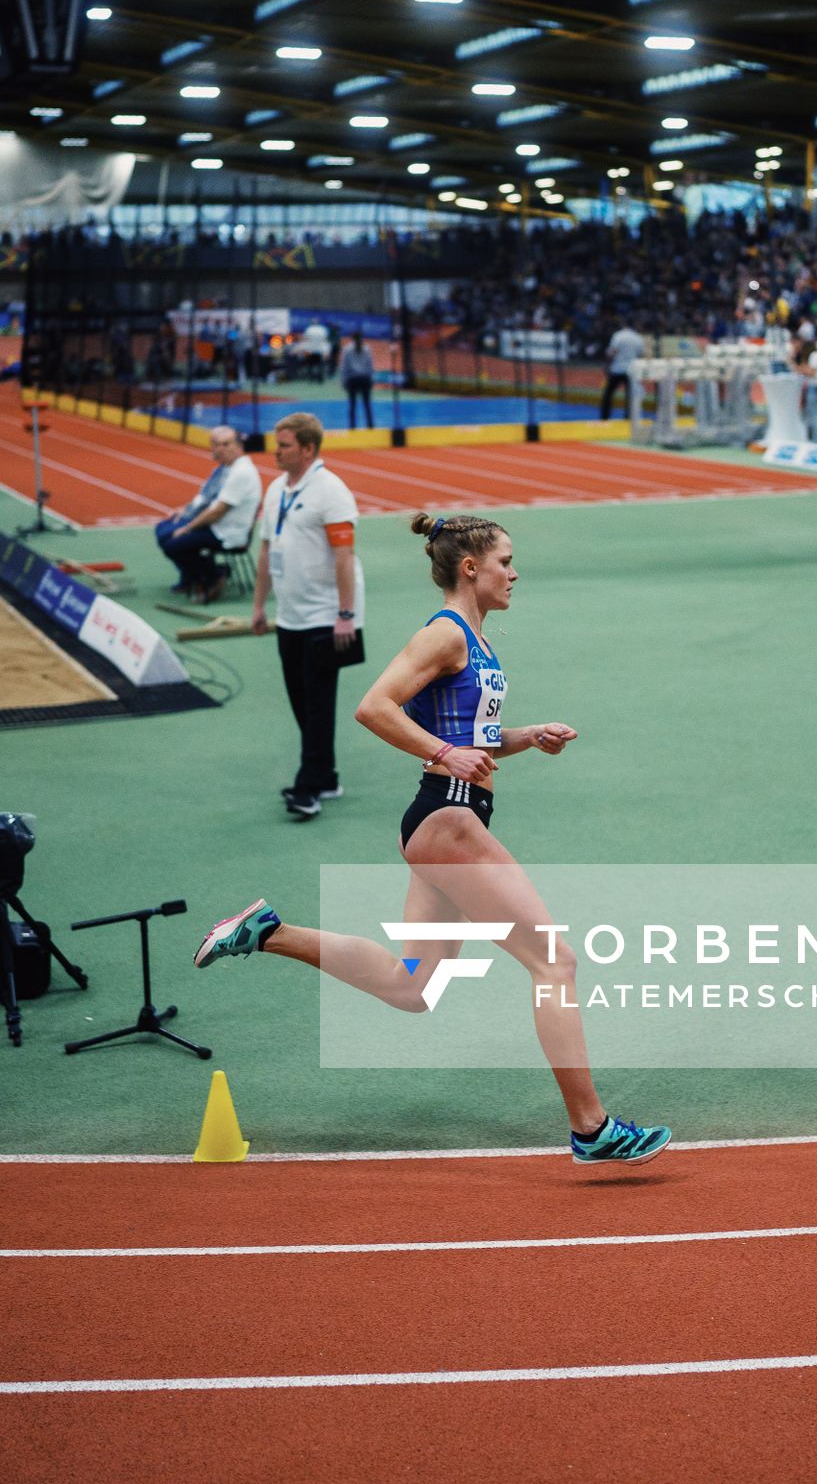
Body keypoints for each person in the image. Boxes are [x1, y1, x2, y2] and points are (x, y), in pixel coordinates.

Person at [195, 512, 672, 1168]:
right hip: (449, 818)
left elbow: (471, 736)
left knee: (411, 987)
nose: (515, 572)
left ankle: (266, 931)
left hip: (443, 819)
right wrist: (446, 752)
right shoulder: (446, 633)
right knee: (554, 962)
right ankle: (591, 1128)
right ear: (470, 568)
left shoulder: (474, 638)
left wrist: (528, 736)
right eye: (506, 561)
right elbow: (374, 707)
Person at [253, 412, 364, 820]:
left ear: (307, 448)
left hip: (325, 614)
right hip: (290, 613)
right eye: (277, 443)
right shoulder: (276, 489)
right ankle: (326, 776)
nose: (276, 451)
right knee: (301, 701)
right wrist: (259, 605)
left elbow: (344, 555)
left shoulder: (331, 492)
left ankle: (307, 789)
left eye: (284, 446)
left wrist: (346, 614)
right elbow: (266, 549)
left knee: (318, 702)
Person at [154, 425, 262, 604]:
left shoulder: (241, 472)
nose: (219, 449)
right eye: (215, 444)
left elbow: (217, 512)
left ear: (238, 446)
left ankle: (215, 574)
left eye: (225, 444)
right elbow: (205, 499)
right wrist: (185, 510)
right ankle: (191, 576)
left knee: (173, 543)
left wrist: (187, 528)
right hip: (215, 525)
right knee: (162, 529)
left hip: (226, 532)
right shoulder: (223, 469)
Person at [600, 320, 645, 421]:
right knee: (630, 395)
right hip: (631, 370)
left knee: (608, 394)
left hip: (617, 369)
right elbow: (641, 355)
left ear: (623, 326)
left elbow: (612, 352)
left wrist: (606, 365)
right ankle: (629, 417)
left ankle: (604, 417)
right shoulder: (637, 338)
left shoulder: (618, 336)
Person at [340, 333, 377, 430]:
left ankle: (352, 427)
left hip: (353, 380)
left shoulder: (347, 349)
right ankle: (370, 426)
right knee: (367, 404)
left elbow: (344, 367)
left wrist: (344, 380)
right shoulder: (367, 349)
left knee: (352, 405)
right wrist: (371, 379)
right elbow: (370, 366)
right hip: (365, 379)